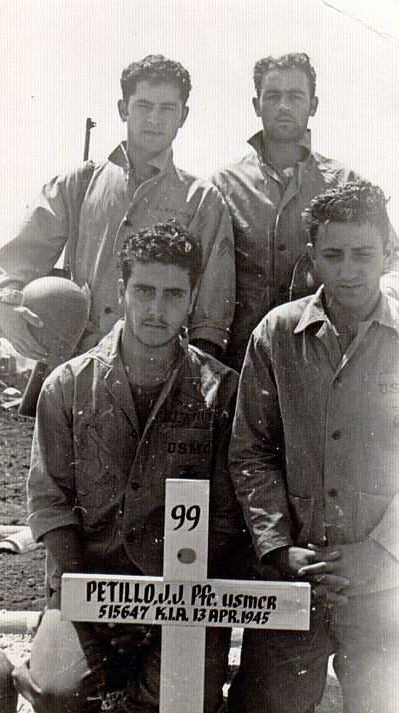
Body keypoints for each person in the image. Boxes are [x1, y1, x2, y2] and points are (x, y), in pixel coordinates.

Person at [12, 220, 241, 713]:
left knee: (183, 699)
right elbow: (51, 506)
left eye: (173, 294)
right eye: (144, 290)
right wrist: (88, 615)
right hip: (87, 585)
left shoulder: (221, 391)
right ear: (122, 290)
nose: (157, 310)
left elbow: (224, 517)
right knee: (57, 691)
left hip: (183, 595)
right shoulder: (67, 386)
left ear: (192, 296)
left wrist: (163, 610)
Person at [228, 181, 399, 713]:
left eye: (363, 253)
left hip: (386, 588)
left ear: (389, 250)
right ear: (311, 259)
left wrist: (381, 552)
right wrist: (280, 549)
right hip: (294, 580)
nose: (349, 269)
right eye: (333, 254)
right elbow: (249, 450)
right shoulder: (277, 334)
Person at [0, 54, 234, 362]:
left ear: (184, 115)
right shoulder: (79, 183)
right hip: (79, 363)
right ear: (123, 109)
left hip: (161, 368)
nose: (154, 118)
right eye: (143, 105)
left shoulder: (203, 199)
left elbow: (212, 312)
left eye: (167, 108)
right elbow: (17, 258)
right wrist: (4, 306)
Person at [212, 52, 399, 370]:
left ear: (313, 105)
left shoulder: (345, 183)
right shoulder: (223, 185)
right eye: (273, 96)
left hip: (328, 360)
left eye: (295, 96)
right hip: (242, 362)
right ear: (257, 105)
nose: (284, 106)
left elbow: (391, 263)